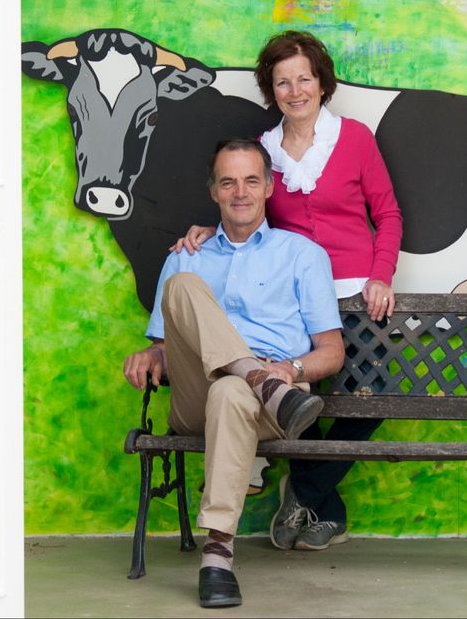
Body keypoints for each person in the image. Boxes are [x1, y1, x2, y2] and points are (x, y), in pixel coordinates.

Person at [172, 30, 403, 552]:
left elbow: (387, 213)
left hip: (356, 294)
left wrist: (381, 275)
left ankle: (303, 490)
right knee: (290, 395)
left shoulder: (356, 138)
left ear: (322, 83)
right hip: (295, 297)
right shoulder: (265, 151)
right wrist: (210, 231)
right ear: (270, 89)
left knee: (373, 397)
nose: (294, 90)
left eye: (304, 78)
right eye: (282, 81)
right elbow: (243, 200)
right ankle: (325, 507)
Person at [124, 139, 344, 608]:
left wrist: (290, 369)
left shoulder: (302, 255)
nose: (239, 191)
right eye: (228, 182)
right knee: (184, 283)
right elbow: (166, 350)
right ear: (214, 192)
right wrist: (150, 357)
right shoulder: (187, 253)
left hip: (279, 391)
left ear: (267, 187)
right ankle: (253, 377)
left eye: (250, 180)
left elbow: (331, 351)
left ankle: (218, 555)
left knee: (230, 391)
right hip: (196, 397)